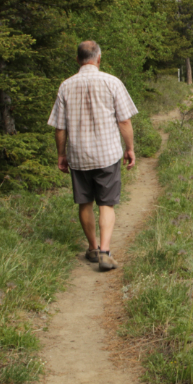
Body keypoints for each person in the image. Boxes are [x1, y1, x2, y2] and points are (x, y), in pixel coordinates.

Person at [48, 40, 138, 271]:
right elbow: (124, 120)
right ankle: (105, 253)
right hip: (107, 154)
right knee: (106, 204)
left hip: (78, 155)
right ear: (99, 58)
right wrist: (130, 149)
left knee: (84, 202)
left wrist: (61, 154)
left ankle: (93, 248)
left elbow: (60, 127)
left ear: (78, 59)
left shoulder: (65, 86)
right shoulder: (112, 82)